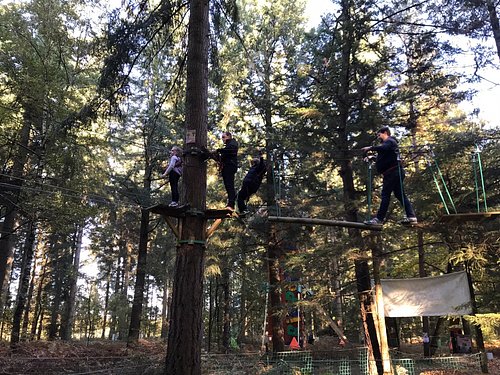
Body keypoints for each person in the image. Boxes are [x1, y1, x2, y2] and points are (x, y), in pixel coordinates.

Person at [361, 126, 417, 225]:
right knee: (400, 194)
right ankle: (411, 217)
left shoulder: (390, 141)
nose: (379, 138)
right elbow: (384, 156)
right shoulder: (388, 145)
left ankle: (379, 219)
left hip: (392, 173)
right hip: (394, 172)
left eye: (379, 135)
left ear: (385, 132)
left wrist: (370, 148)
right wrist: (373, 157)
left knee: (385, 195)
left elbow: (384, 148)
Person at [217, 132, 238, 209]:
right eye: (222, 137)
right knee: (228, 185)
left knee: (229, 185)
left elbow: (231, 150)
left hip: (230, 166)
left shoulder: (232, 143)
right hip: (226, 167)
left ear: (229, 136)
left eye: (224, 137)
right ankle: (230, 202)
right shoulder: (229, 145)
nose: (222, 139)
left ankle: (231, 203)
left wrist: (220, 150)